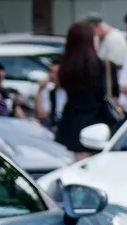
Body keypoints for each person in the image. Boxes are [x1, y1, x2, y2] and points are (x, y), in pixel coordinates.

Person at [51, 22, 118, 155]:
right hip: (99, 124)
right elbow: (114, 94)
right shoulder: (106, 67)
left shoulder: (65, 68)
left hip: (70, 125)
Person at [89, 16, 127, 103]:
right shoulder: (103, 39)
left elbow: (114, 66)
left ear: (98, 26)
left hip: (114, 86)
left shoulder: (114, 39)